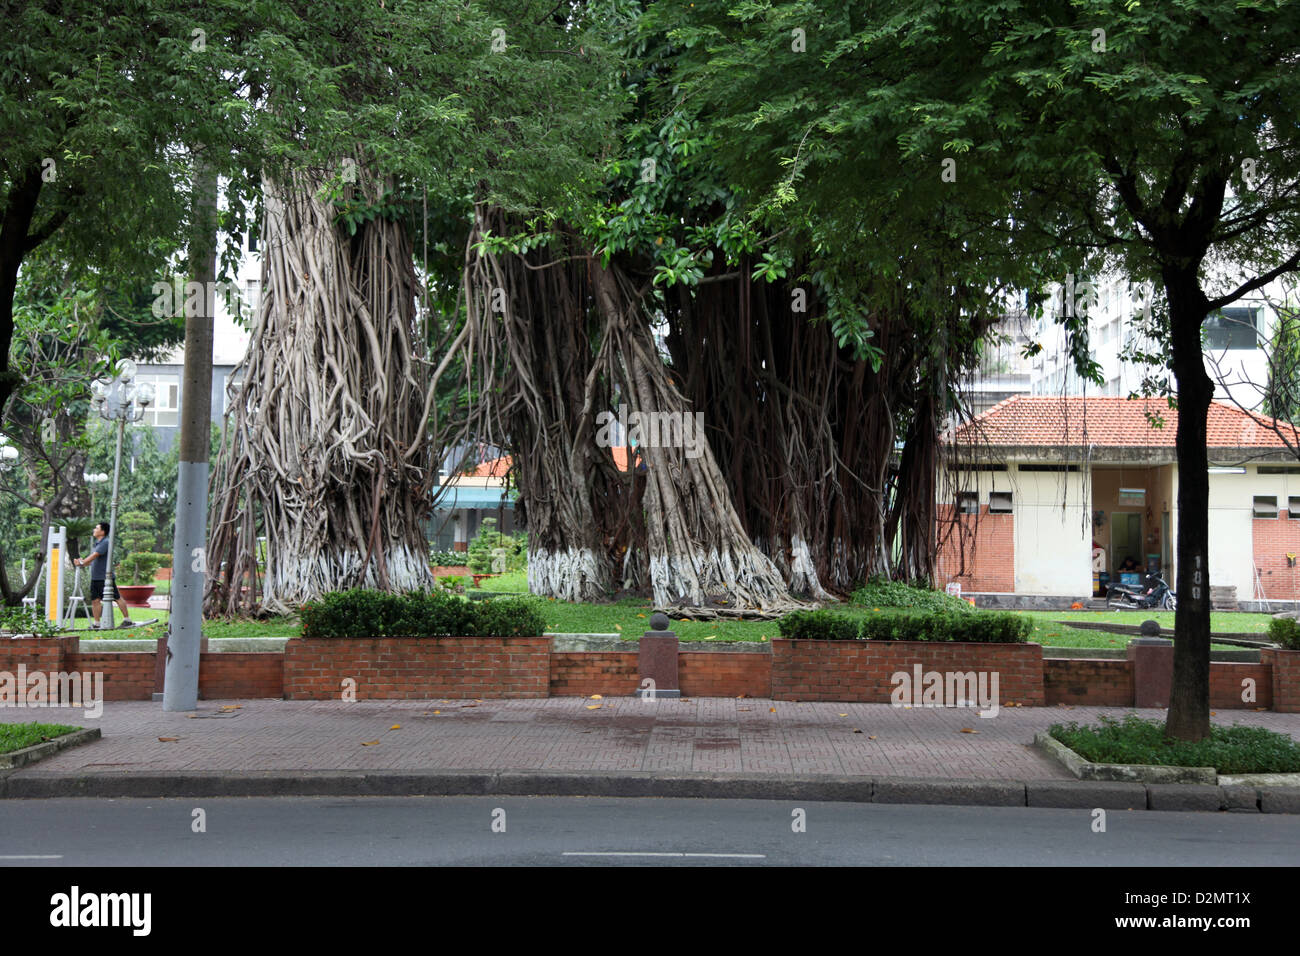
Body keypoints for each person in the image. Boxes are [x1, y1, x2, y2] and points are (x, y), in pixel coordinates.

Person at [73, 522, 134, 628]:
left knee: (117, 597)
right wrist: (81, 562)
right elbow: (91, 560)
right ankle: (97, 623)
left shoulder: (105, 542)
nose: (94, 530)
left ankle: (127, 620)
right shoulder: (98, 543)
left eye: (96, 528)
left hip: (105, 578)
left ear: (102, 531)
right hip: (95, 577)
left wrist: (82, 562)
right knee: (95, 600)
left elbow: (95, 555)